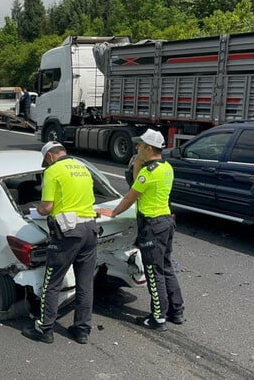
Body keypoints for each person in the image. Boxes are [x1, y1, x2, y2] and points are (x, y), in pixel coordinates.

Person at [96, 129, 184, 331]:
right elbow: (140, 186)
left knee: (153, 273)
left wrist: (113, 213)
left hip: (152, 226)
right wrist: (137, 164)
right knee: (166, 267)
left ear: (149, 148)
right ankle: (176, 311)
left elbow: (131, 196)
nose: (137, 147)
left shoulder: (149, 172)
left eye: (140, 145)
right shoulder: (166, 167)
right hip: (166, 222)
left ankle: (158, 318)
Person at [22, 141, 98, 344]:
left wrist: (37, 210)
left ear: (49, 157)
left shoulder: (53, 171)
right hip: (90, 229)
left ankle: (45, 329)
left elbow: (46, 207)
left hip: (67, 232)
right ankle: (82, 330)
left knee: (51, 282)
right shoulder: (82, 167)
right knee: (85, 283)